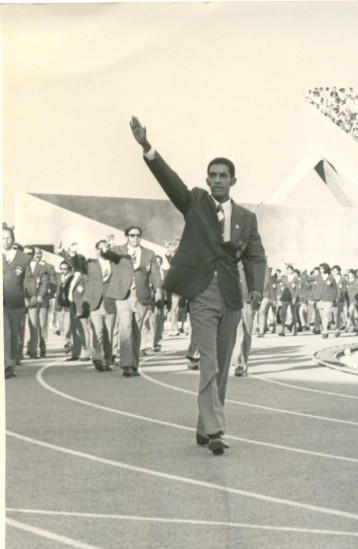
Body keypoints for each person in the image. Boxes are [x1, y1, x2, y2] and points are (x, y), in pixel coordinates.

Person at [130, 116, 265, 456]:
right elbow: (169, 180)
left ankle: (203, 426)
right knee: (209, 362)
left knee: (221, 363)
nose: (218, 180)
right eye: (213, 175)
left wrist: (256, 288)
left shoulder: (247, 218)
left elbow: (255, 256)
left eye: (224, 176)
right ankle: (217, 430)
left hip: (232, 296)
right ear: (207, 180)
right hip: (203, 293)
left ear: (233, 181)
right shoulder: (194, 202)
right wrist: (148, 148)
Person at [103, 226, 162, 377]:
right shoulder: (118, 250)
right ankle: (127, 365)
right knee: (126, 327)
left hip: (141, 295)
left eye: (138, 235)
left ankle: (134, 364)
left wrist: (158, 290)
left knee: (137, 331)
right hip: (123, 295)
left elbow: (154, 273)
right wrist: (106, 249)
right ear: (127, 237)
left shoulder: (149, 253)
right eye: (132, 235)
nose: (135, 238)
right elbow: (109, 255)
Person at [83, 240, 116, 372]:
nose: (105, 250)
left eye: (107, 247)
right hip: (95, 302)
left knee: (109, 333)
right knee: (98, 332)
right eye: (103, 248)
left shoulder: (115, 263)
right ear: (97, 250)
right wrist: (70, 254)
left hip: (111, 301)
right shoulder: (90, 264)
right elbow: (77, 264)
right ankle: (98, 358)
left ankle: (108, 359)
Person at [3, 227, 30, 378]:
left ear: (13, 239)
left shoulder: (23, 258)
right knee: (5, 332)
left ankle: (10, 364)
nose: (5, 241)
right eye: (2, 238)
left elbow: (28, 279)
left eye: (8, 238)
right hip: (2, 301)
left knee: (14, 334)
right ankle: (6, 366)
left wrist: (31, 295)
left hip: (16, 300)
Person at [24, 247, 50, 358]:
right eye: (25, 254)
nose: (27, 256)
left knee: (34, 325)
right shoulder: (20, 266)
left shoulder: (41, 268)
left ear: (33, 254)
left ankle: (34, 351)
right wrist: (24, 297)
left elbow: (44, 283)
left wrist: (40, 296)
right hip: (22, 299)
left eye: (29, 253)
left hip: (35, 300)